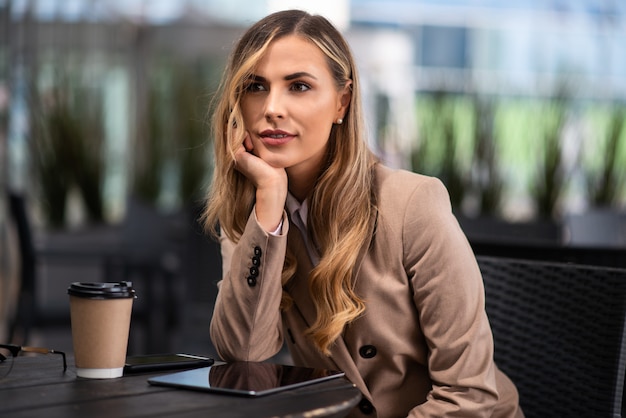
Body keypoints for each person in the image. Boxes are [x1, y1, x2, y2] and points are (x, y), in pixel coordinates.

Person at [202, 9, 523, 418]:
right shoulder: (254, 221)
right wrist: (268, 203)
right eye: (255, 86)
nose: (272, 107)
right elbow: (244, 354)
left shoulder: (412, 204)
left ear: (343, 101)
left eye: (298, 86)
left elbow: (469, 396)